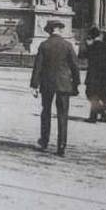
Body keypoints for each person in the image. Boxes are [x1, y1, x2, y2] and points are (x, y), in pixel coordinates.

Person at [30, 19, 80, 156]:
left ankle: (44, 142)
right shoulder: (68, 45)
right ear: (60, 30)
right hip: (64, 84)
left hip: (47, 84)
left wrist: (34, 84)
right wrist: (76, 84)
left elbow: (37, 67)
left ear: (49, 30)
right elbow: (75, 66)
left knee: (46, 112)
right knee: (63, 115)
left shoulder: (44, 45)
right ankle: (61, 146)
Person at [83, 27, 106, 123]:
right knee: (96, 96)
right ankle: (102, 113)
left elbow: (86, 56)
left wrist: (87, 45)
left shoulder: (93, 46)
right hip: (102, 75)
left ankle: (96, 115)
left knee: (90, 95)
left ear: (92, 35)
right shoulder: (104, 46)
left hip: (93, 75)